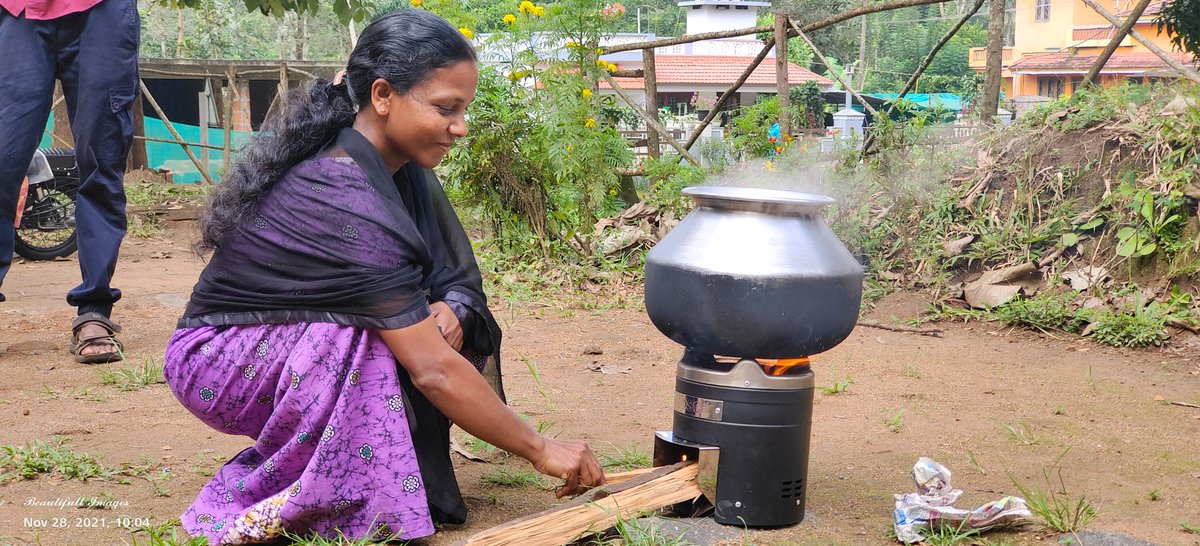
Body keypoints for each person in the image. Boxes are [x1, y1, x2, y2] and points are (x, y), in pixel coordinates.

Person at [163, 9, 605, 544]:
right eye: (445, 108)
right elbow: (433, 370)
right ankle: (297, 503)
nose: (460, 127)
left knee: (406, 325)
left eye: (463, 109)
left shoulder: (380, 169)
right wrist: (541, 448)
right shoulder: (346, 195)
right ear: (381, 96)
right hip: (216, 358)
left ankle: (351, 488)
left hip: (262, 342)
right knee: (373, 337)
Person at [0, 0, 139, 363]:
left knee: (101, 164)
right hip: (16, 13)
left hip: (103, 13)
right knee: (2, 162)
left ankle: (94, 308)